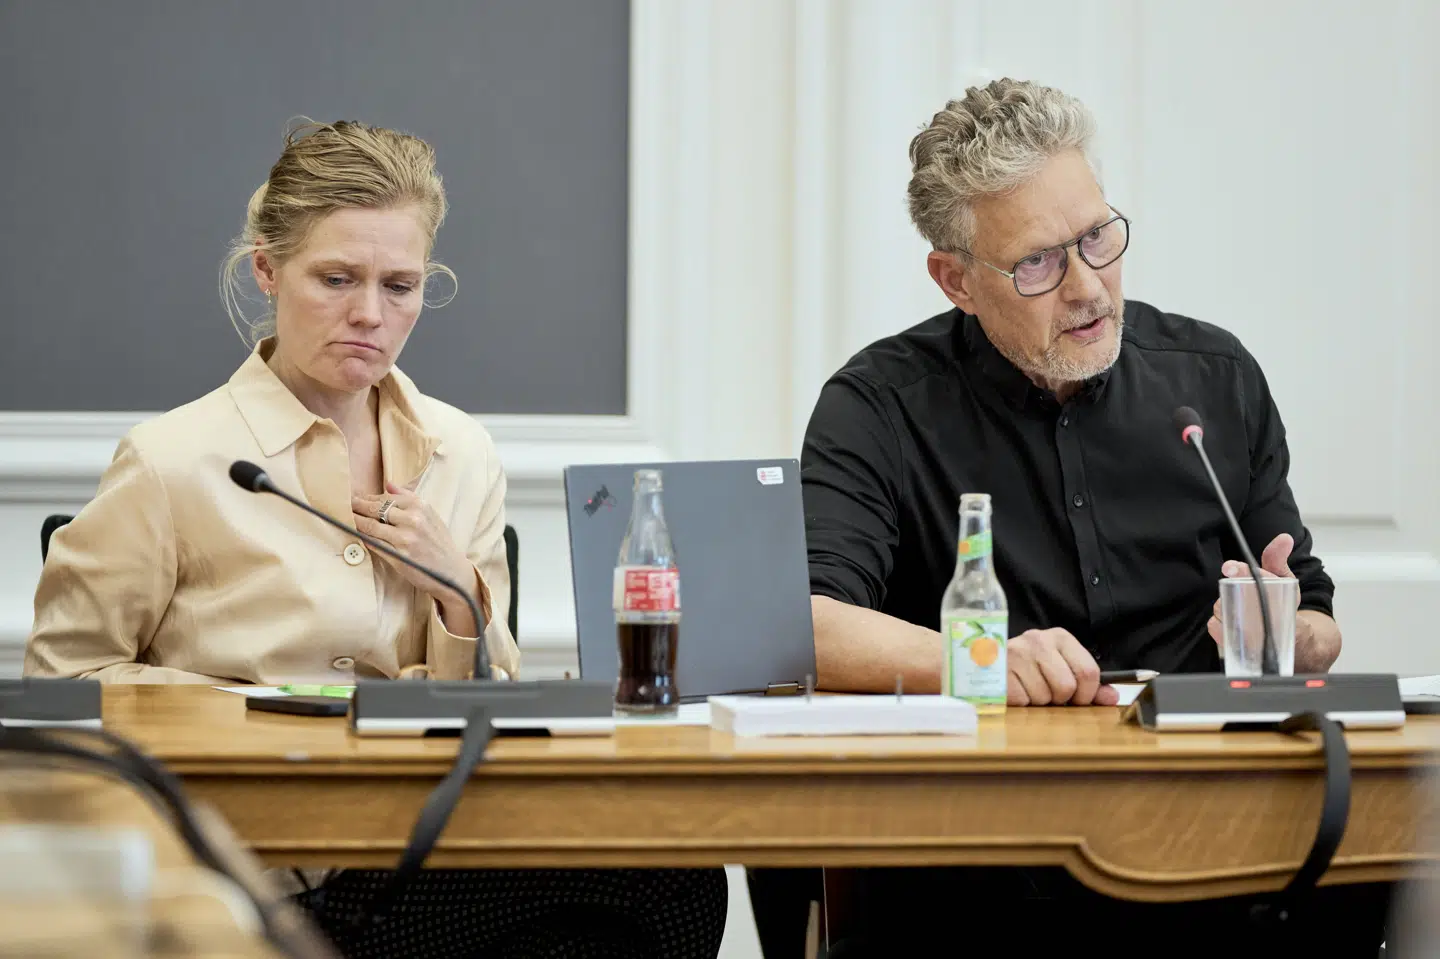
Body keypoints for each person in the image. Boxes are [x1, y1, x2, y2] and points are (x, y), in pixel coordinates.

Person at [25, 120, 725, 959]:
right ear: (266, 270)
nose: (369, 314)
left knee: (676, 870)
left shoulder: (460, 452)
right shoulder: (171, 460)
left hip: (432, 843)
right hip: (255, 875)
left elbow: (492, 699)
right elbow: (60, 689)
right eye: (336, 278)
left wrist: (456, 593)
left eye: (400, 285)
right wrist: (244, 707)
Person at [751, 80, 1389, 956]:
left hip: (1210, 849)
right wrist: (982, 659)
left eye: (1098, 237)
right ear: (957, 280)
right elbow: (803, 623)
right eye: (1040, 263)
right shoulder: (881, 407)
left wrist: (1291, 632)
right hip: (983, 857)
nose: (1089, 288)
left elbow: (1314, 616)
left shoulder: (1215, 377)